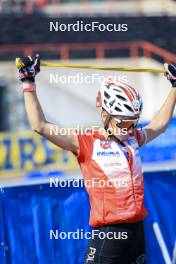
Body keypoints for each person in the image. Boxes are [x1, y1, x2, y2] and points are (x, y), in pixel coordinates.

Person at [17, 55, 176, 264]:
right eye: (123, 123)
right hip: (109, 234)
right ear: (105, 116)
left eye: (133, 123)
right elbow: (40, 126)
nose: (128, 129)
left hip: (137, 232)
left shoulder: (133, 139)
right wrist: (28, 82)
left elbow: (161, 123)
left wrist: (174, 86)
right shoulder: (86, 142)